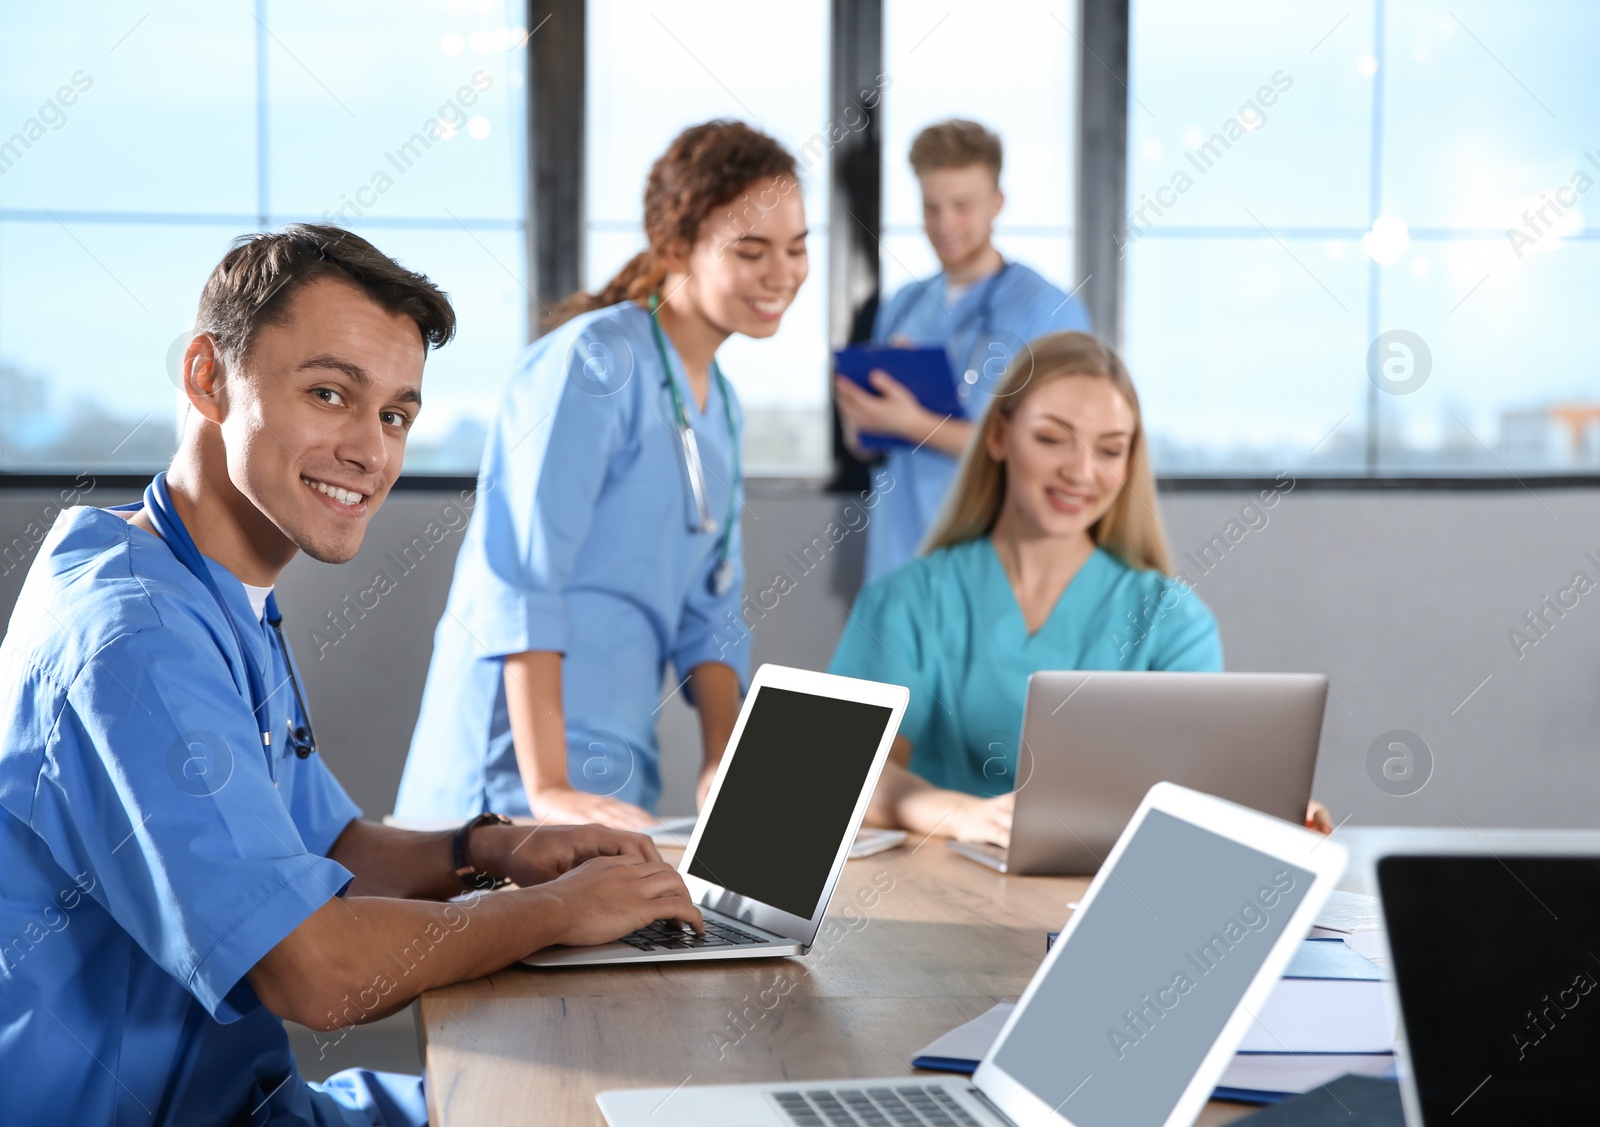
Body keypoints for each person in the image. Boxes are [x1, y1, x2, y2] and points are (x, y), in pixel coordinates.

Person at [0, 226, 704, 1127]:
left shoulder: (211, 588)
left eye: (395, 415)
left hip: (255, 1103)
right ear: (207, 378)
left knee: (595, 1101)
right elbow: (315, 969)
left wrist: (488, 848)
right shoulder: (133, 640)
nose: (371, 450)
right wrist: (557, 912)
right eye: (330, 393)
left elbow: (328, 846)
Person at [394, 121, 809, 830]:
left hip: (614, 778)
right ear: (678, 247)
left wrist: (721, 762)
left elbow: (712, 612)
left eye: (799, 247)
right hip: (510, 777)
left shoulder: (725, 407)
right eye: (751, 250)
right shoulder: (594, 362)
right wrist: (549, 786)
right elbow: (524, 577)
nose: (783, 273)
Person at [831, 332, 1230, 846]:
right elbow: (847, 776)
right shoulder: (909, 600)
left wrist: (1251, 812)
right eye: (1050, 438)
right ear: (998, 437)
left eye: (1110, 449)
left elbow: (1195, 789)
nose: (1081, 471)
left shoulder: (1172, 618)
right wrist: (961, 815)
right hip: (936, 900)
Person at [834, 119, 1092, 582]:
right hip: (899, 564)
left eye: (962, 206)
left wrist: (912, 423)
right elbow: (868, 446)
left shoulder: (1046, 311)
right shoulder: (902, 305)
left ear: (997, 204)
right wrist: (864, 417)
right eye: (931, 207)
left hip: (996, 571)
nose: (944, 224)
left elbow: (1061, 451)